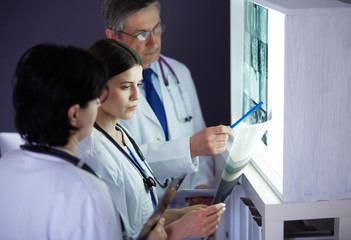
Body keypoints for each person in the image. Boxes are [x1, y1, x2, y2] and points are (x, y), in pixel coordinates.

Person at [0, 43, 166, 240]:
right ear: (75, 114)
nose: (98, 102)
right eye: (94, 97)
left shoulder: (5, 164)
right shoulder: (88, 192)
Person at [78, 38, 226, 240]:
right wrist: (177, 231)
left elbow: (136, 220)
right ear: (97, 87)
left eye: (138, 84)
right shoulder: (96, 157)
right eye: (125, 86)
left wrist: (180, 215)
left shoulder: (119, 133)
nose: (136, 96)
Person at [102, 0, 234, 193]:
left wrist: (201, 187)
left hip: (186, 203)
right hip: (141, 211)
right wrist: (190, 148)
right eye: (142, 34)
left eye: (157, 28)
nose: (153, 42)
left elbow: (201, 141)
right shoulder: (101, 90)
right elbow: (124, 161)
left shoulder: (179, 73)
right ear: (113, 36)